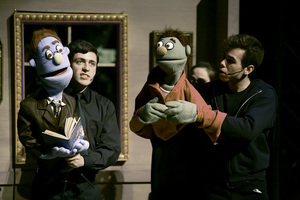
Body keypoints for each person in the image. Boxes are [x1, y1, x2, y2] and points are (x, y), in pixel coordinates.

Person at [129, 28, 227, 199]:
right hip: (162, 163)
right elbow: (136, 126)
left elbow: (215, 130)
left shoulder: (197, 94)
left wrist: (197, 114)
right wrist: (142, 116)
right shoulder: (152, 86)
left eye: (202, 82)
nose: (197, 85)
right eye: (194, 80)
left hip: (192, 168)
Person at [199, 34, 278, 200]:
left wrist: (206, 116)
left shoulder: (263, 94)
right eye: (223, 58)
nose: (222, 63)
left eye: (230, 60)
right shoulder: (210, 91)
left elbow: (248, 128)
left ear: (248, 69)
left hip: (250, 186)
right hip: (213, 185)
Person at [17, 29, 90, 200]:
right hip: (47, 182)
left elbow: (75, 125)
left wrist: (81, 143)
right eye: (49, 55)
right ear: (36, 64)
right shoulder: (29, 106)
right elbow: (27, 138)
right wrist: (48, 154)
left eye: (58, 52)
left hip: (72, 181)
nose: (57, 59)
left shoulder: (71, 100)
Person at [65, 39, 121, 199]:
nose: (86, 68)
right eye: (79, 62)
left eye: (92, 63)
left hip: (87, 187)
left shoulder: (104, 105)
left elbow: (112, 149)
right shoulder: (51, 99)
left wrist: (85, 160)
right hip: (50, 188)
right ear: (68, 64)